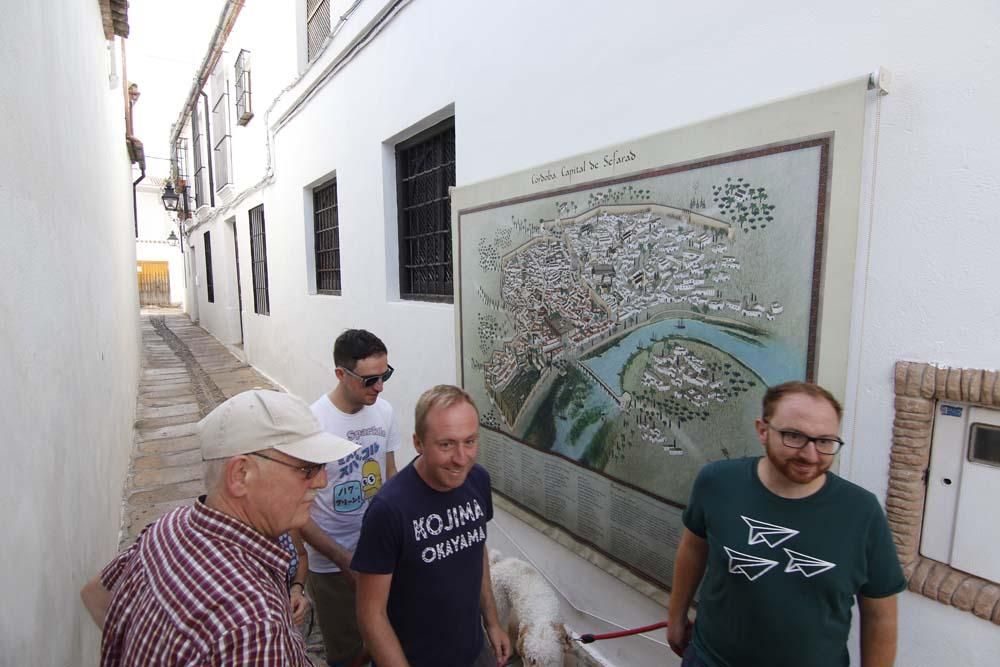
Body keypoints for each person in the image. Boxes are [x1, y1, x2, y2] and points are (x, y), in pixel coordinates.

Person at [80, 390, 359, 666]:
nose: (322, 481)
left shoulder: (167, 526)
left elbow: (97, 595)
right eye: (307, 468)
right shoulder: (253, 626)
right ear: (240, 475)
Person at [666, 381, 905, 667]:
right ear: (762, 431)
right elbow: (694, 548)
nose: (810, 455)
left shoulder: (862, 512)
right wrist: (676, 616)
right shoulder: (717, 482)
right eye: (794, 436)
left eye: (825, 441)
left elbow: (880, 613)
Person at [352, 385, 511, 667]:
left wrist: (493, 623)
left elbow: (476, 552)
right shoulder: (389, 510)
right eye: (446, 444)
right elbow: (370, 614)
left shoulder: (477, 481)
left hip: (475, 652)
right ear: (418, 443)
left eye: (470, 441)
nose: (462, 459)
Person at [300, 329, 400, 667]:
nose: (380, 387)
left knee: (385, 639)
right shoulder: (313, 424)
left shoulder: (384, 412)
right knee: (349, 653)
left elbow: (390, 477)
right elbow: (298, 511)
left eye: (385, 375)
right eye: (370, 380)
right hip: (331, 565)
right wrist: (342, 558)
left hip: (380, 556)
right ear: (341, 374)